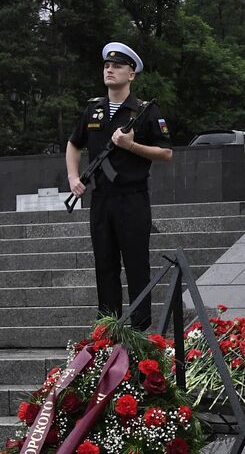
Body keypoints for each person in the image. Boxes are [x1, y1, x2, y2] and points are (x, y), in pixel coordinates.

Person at [65, 42, 172, 329]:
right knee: (105, 265)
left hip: (132, 198)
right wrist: (74, 178)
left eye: (118, 66)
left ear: (132, 74)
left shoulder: (145, 111)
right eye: (107, 66)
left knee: (137, 265)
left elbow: (166, 153)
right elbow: (73, 144)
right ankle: (108, 327)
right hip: (101, 199)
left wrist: (131, 145)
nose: (110, 70)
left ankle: (140, 329)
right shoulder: (94, 110)